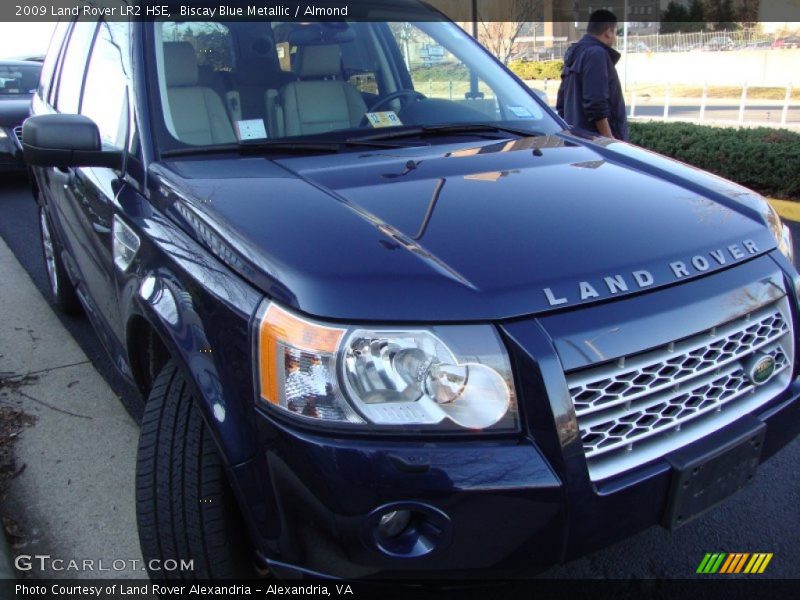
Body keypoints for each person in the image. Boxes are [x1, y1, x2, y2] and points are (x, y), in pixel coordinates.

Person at [556, 9, 629, 140]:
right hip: (597, 144)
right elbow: (595, 103)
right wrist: (609, 138)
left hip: (577, 140)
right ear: (608, 32)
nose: (615, 37)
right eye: (615, 32)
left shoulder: (575, 53)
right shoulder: (596, 54)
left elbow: (561, 104)